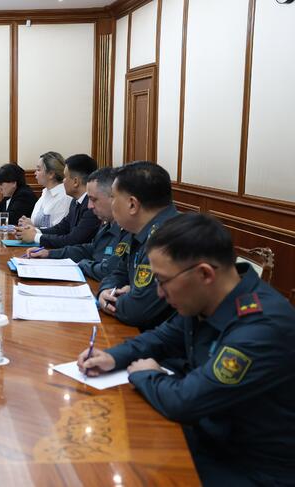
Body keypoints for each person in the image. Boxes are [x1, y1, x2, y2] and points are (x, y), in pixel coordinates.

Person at [78, 213, 295, 486]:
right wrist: (112, 357)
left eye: (162, 280)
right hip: (210, 435)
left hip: (249, 467)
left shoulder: (261, 327)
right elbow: (162, 338)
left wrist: (147, 374)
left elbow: (185, 401)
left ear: (205, 273)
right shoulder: (209, 295)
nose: (159, 293)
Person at [98, 161, 178, 330]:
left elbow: (137, 310)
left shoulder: (168, 238)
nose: (111, 203)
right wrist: (106, 291)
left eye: (113, 197)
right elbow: (118, 272)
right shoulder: (139, 228)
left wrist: (114, 299)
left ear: (132, 205)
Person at [29, 167, 131, 281]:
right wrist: (49, 254)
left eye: (94, 199)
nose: (89, 206)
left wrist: (81, 264)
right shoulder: (108, 224)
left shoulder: (128, 229)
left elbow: (108, 270)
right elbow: (90, 249)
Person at [17, 154, 100, 248]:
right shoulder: (75, 201)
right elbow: (61, 228)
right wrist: (34, 231)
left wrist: (35, 237)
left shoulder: (91, 206)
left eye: (65, 177)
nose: (63, 181)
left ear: (76, 182)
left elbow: (73, 240)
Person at [18, 151, 70, 228]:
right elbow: (37, 223)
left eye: (38, 170)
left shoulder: (64, 197)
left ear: (51, 174)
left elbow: (58, 230)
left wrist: (32, 227)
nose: (35, 173)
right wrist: (27, 222)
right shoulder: (45, 193)